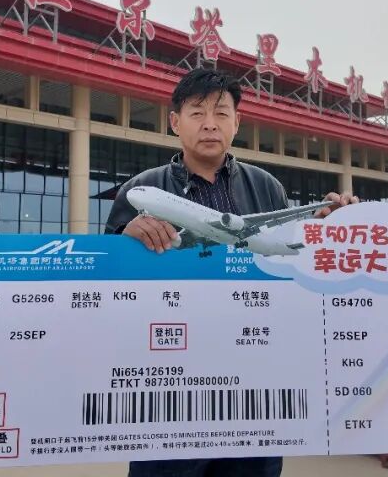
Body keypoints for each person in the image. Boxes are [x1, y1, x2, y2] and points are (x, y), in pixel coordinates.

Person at [105, 66, 357, 477]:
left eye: (221, 113)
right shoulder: (140, 188)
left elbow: (289, 263)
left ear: (237, 123)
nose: (210, 124)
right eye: (197, 113)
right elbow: (109, 281)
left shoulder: (266, 186)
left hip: (252, 381)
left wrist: (330, 227)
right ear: (175, 122)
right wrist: (125, 239)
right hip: (172, 385)